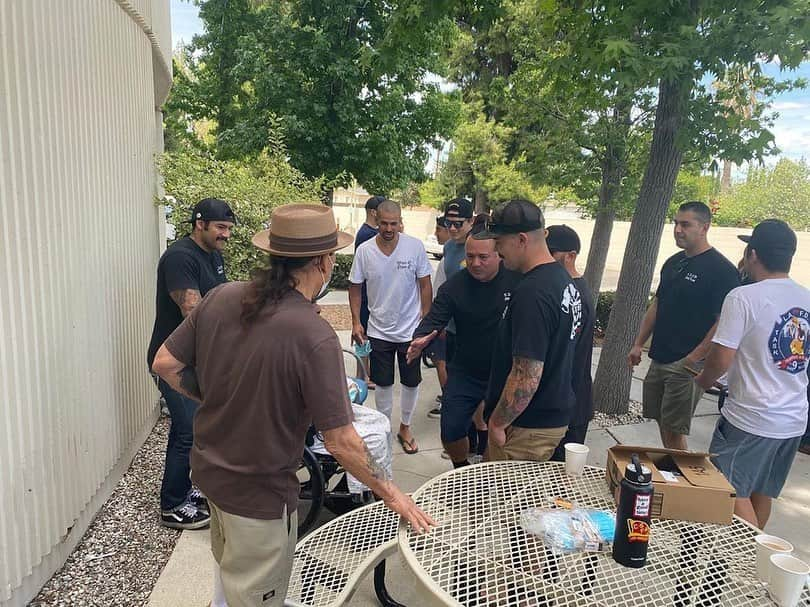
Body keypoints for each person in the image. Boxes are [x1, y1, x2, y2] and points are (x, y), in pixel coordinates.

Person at [151, 203, 435, 607]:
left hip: (210, 477)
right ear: (322, 262)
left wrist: (219, 397)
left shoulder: (220, 297)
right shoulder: (312, 334)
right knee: (255, 596)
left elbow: (165, 363)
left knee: (231, 578)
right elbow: (340, 441)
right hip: (259, 498)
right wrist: (394, 495)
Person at [695, 219, 809, 529]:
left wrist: (702, 381)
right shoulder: (806, 297)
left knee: (727, 489)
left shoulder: (743, 297)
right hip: (793, 418)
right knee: (761, 489)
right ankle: (758, 562)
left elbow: (720, 357)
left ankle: (764, 558)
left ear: (753, 254)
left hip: (751, 416)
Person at [146, 198, 236, 529]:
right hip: (172, 360)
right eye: (221, 228)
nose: (226, 235)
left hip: (200, 360)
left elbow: (222, 297)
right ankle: (171, 505)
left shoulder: (212, 254)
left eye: (228, 228)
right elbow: (194, 313)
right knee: (186, 429)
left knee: (201, 427)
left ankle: (189, 489)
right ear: (200, 224)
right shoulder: (180, 258)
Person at [474, 199, 581, 462]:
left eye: (499, 243)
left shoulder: (533, 293)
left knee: (505, 500)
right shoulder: (561, 279)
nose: (498, 252)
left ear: (521, 239)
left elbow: (527, 375)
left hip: (528, 425)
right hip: (546, 416)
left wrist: (498, 423)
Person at [628, 201, 739, 450]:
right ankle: (672, 468)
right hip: (659, 357)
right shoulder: (674, 262)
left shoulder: (722, 271)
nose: (678, 229)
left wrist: (693, 358)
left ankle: (678, 478)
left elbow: (723, 322)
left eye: (685, 224)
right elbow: (657, 304)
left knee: (674, 427)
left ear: (704, 227)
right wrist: (638, 344)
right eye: (676, 223)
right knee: (661, 418)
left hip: (686, 364)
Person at [407, 229, 521, 468]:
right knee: (451, 428)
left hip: (504, 372)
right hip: (466, 369)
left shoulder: (517, 281)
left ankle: (486, 474)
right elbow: (433, 319)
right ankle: (460, 468)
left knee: (497, 430)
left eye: (483, 257)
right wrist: (420, 338)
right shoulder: (454, 286)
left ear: (498, 255)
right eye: (470, 257)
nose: (475, 263)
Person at [349, 200, 433, 454]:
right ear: (376, 219)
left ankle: (405, 427)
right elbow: (355, 287)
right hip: (378, 329)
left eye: (393, 223)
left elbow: (425, 284)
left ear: (400, 222)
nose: (388, 228)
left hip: (409, 330)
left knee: (411, 382)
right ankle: (384, 429)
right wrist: (356, 321)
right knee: (383, 384)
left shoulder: (414, 247)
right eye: (383, 223)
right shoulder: (364, 251)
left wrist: (424, 321)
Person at [545, 225, 595, 461]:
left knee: (558, 487)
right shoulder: (563, 288)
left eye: (550, 252)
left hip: (570, 405)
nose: (544, 257)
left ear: (571, 255)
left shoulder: (574, 294)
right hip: (562, 403)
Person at [354, 195, 385, 380]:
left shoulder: (367, 232)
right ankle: (363, 375)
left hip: (369, 294)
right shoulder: (368, 235)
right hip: (366, 295)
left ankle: (365, 374)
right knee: (363, 336)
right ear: (374, 212)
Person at [425, 214, 451, 418]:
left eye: (439, 229)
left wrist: (437, 325)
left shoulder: (451, 258)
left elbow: (441, 293)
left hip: (445, 324)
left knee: (441, 362)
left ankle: (448, 402)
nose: (436, 233)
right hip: (446, 323)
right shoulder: (449, 254)